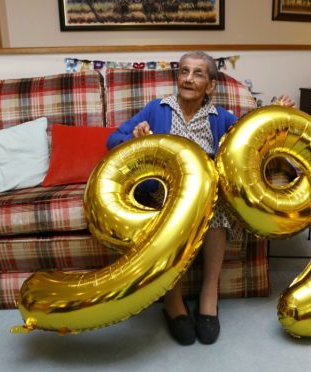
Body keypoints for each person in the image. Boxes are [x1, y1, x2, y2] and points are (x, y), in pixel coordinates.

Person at [106, 51, 294, 346]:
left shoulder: (221, 118)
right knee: (171, 209)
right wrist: (135, 138)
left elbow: (253, 136)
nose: (188, 79)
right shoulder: (158, 109)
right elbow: (113, 139)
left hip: (208, 194)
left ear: (210, 86)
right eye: (184, 72)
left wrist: (277, 115)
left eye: (197, 74)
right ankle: (173, 298)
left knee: (215, 203)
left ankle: (209, 294)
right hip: (165, 192)